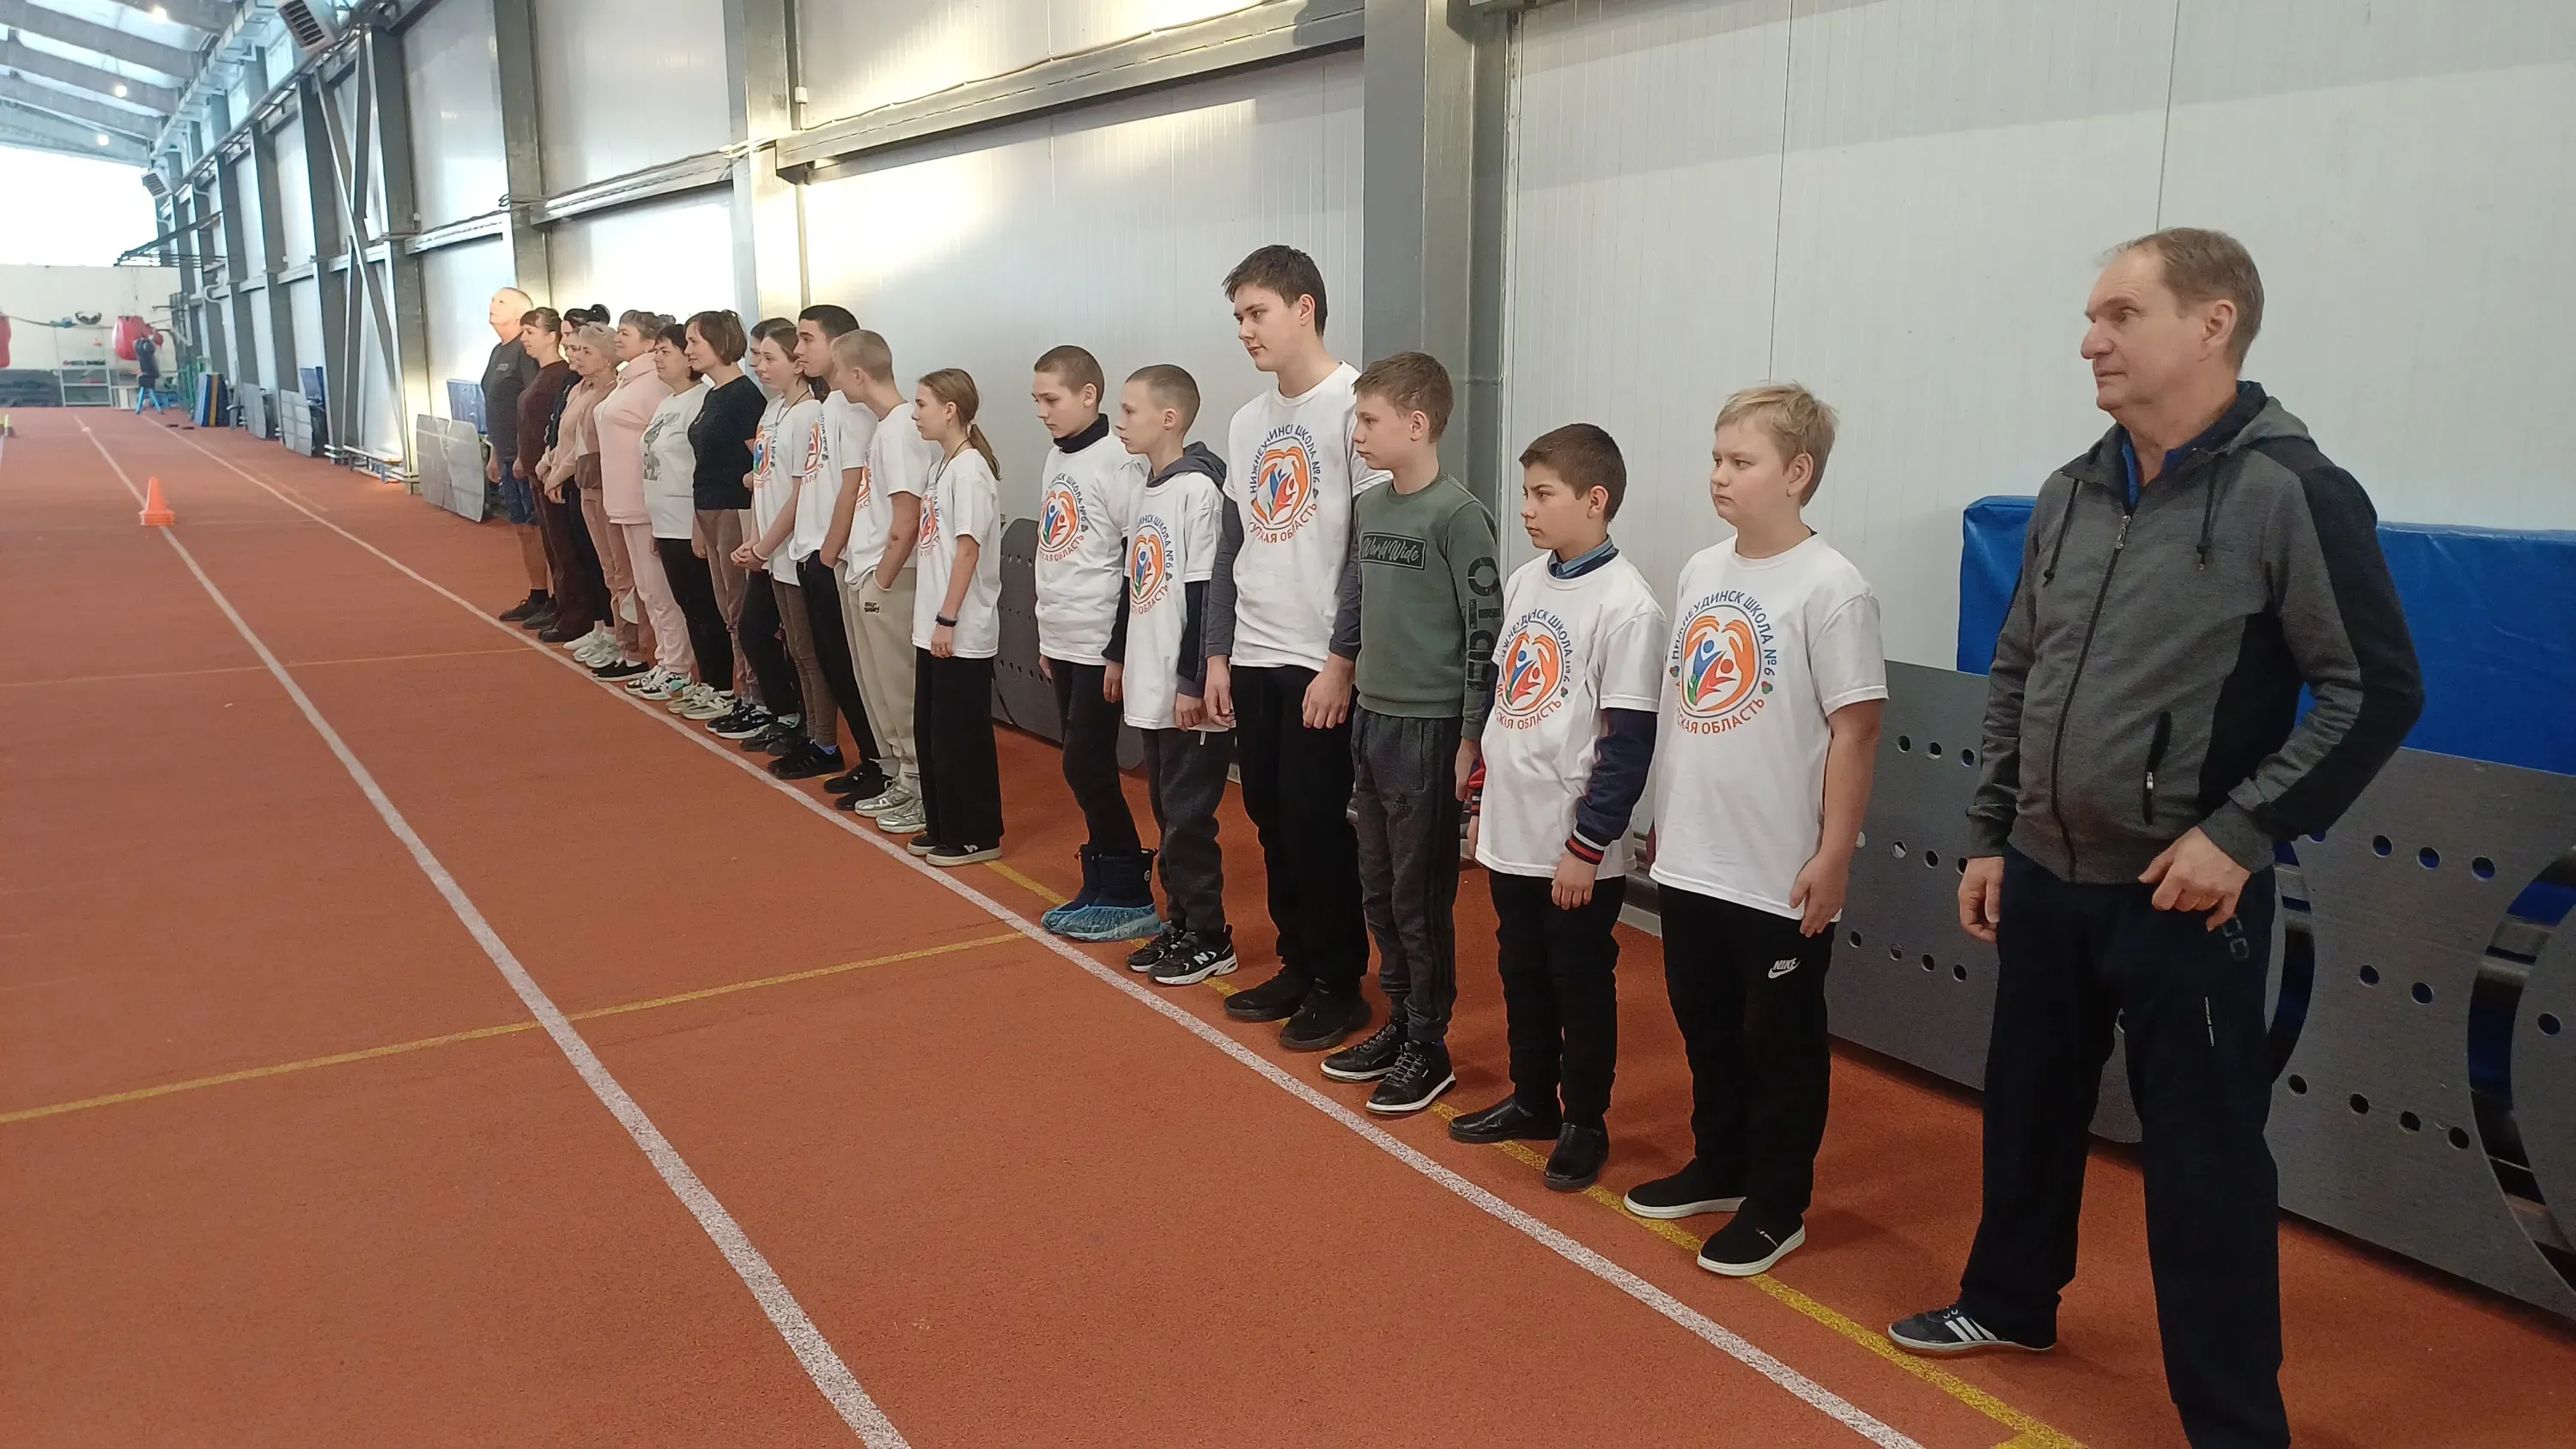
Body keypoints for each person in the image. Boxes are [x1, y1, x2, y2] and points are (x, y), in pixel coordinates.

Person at [1886, 229, 2422, 1449]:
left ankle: (2233, 1423)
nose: (2091, 340)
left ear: (2214, 323)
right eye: (2093, 317)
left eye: (2122, 315)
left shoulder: (2293, 492)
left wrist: (2242, 832)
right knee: (2027, 1102)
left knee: (2204, 1160)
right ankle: (2009, 1301)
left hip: (2188, 896)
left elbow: (2376, 689)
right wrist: (1992, 832)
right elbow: (2019, 670)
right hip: (2045, 868)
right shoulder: (2073, 490)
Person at [1626, 384, 1886, 1279]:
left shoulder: (1832, 587)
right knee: (1704, 1023)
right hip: (1695, 854)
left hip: (1776, 868)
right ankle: (1722, 1161)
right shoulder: (1702, 570)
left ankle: (1778, 1204)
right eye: (1717, 458)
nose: (1719, 475)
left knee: (1779, 1044)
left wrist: (1834, 853)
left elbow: (1857, 730)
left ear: (1798, 472)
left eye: (1742, 461)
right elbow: (1688, 704)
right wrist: (1665, 817)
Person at [1450, 423, 1663, 1194]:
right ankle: (1533, 1097)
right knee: (1521, 967)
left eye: (1544, 494)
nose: (1528, 509)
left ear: (1595, 500)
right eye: (1526, 493)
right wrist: (1481, 800)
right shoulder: (1525, 581)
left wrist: (1587, 844)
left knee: (1579, 979)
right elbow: (1507, 702)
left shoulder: (1628, 606)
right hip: (1512, 826)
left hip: (1572, 842)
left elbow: (1627, 745)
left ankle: (1585, 1121)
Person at [1202, 245, 1384, 1053]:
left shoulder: (1356, 407)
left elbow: (1367, 549)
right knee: (1269, 817)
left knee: (1316, 824)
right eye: (1238, 316)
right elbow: (1231, 545)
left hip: (1318, 658)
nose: (1245, 330)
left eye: (1257, 313)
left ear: (1304, 308)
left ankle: (1340, 983)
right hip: (1253, 651)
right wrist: (1217, 654)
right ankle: (1298, 964)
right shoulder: (1247, 421)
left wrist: (1343, 660)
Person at [1317, 351, 1499, 1116]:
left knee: (1420, 896)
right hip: (1373, 720)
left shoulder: (1459, 517)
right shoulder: (1373, 508)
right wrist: (1345, 675)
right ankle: (1399, 1018)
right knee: (1378, 887)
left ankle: (1430, 1041)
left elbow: (1484, 635)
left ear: (1417, 425)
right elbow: (1357, 602)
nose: (1357, 435)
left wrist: (1470, 739)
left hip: (1430, 733)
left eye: (1369, 421)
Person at [1107, 364, 1233, 986]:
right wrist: (1117, 656)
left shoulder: (1198, 492)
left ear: (1169, 418)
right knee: (1165, 809)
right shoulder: (1144, 489)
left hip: (1188, 691)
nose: (1119, 421)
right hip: (1150, 680)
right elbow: (1134, 584)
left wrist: (1191, 680)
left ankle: (1210, 935)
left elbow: (1207, 594)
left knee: (1188, 817)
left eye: (1130, 410)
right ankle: (1179, 923)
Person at [1030, 343, 1157, 943]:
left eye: (1051, 399)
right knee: (1081, 764)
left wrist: (1119, 650)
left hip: (1099, 639)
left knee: (1087, 763)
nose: (1042, 412)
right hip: (1062, 635)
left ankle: (1130, 888)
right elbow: (1054, 551)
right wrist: (1045, 634)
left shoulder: (1119, 462)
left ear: (1088, 395)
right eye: (1036, 400)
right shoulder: (1056, 456)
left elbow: (1137, 560)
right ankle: (1103, 878)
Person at [827, 328, 939, 838]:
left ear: (858, 373)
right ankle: (901, 775)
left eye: (837, 370)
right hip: (869, 569)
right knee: (878, 687)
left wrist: (882, 579)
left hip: (889, 575)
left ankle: (920, 785)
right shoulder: (884, 427)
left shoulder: (900, 430)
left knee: (899, 686)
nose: (832, 380)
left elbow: (907, 517)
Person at [908, 367, 1006, 867]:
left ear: (950, 410)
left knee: (960, 736)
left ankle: (976, 833)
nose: (914, 414)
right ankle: (944, 822)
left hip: (959, 629)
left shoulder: (970, 470)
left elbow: (969, 549)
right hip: (933, 624)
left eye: (922, 404)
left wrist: (947, 619)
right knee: (931, 731)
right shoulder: (941, 466)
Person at [788, 303, 886, 800]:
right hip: (814, 548)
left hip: (835, 554)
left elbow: (853, 484)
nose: (797, 350)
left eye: (807, 339)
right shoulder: (827, 405)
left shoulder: (854, 409)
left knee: (852, 667)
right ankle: (871, 758)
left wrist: (829, 550)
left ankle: (880, 762)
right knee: (832, 661)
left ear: (840, 344)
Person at [736, 318, 840, 779]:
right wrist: (755, 539)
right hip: (772, 550)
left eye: (769, 358)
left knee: (808, 650)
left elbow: (800, 493)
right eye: (757, 357)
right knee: (796, 649)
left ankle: (823, 739)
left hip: (792, 548)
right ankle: (807, 731)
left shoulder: (807, 414)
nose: (759, 366)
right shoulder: (774, 410)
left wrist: (765, 543)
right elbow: (765, 481)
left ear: (797, 365)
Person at [685, 311, 782, 742]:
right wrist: (697, 522)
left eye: (694, 342)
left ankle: (756, 697)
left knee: (740, 609)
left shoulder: (744, 397)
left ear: (720, 344)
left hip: (736, 511)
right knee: (727, 608)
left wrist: (753, 518)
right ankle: (746, 693)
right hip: (710, 508)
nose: (688, 350)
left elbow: (760, 466)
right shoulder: (714, 394)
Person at [595, 310, 682, 690]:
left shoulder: (652, 384)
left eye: (625, 333)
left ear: (649, 342)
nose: (617, 338)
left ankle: (675, 662)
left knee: (659, 590)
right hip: (622, 498)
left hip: (644, 499)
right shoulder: (626, 380)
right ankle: (664, 658)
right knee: (645, 589)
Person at [636, 324, 714, 708]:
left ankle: (715, 682)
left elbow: (702, 466)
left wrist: (699, 522)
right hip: (664, 519)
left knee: (703, 606)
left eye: (665, 351)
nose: (657, 358)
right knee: (685, 604)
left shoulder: (701, 399)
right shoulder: (667, 402)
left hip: (689, 521)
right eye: (656, 351)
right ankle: (694, 677)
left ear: (688, 358)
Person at [544, 321, 626, 671]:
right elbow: (564, 435)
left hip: (594, 483)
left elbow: (583, 447)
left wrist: (558, 472)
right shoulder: (580, 389)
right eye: (574, 349)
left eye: (585, 351)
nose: (575, 356)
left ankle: (616, 633)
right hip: (578, 480)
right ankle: (601, 626)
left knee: (609, 565)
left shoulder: (609, 393)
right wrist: (548, 462)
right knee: (590, 560)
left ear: (606, 358)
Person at [513, 310, 591, 645]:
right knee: (554, 546)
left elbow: (561, 433)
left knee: (566, 548)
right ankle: (563, 607)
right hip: (542, 470)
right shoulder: (547, 376)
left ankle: (577, 613)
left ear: (551, 336)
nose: (524, 338)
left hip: (558, 474)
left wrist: (553, 469)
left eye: (531, 331)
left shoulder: (561, 377)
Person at [482, 288, 550, 623]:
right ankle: (538, 594)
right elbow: (497, 406)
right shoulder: (498, 351)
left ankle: (559, 598)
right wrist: (496, 453)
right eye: (493, 300)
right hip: (506, 454)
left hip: (526, 457)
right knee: (522, 527)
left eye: (502, 302)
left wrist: (525, 454)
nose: (493, 306)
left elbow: (531, 406)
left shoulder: (525, 354)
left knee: (540, 527)